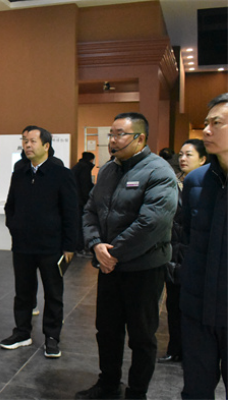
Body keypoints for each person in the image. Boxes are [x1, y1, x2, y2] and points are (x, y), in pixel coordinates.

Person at [76, 112, 178, 400]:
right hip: (110, 267)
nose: (112, 140)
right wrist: (96, 244)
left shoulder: (159, 172)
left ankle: (136, 392)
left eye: (119, 134)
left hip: (144, 269)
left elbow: (151, 224)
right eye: (111, 134)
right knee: (107, 331)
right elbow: (90, 210)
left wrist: (112, 253)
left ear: (140, 138)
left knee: (142, 336)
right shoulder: (108, 170)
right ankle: (108, 384)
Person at [0, 125, 78, 358]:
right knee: (23, 292)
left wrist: (70, 245)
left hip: (52, 246)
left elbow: (71, 212)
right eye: (25, 141)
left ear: (46, 145)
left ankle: (52, 337)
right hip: (23, 246)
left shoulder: (61, 174)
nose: (27, 145)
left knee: (53, 293)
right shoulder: (19, 172)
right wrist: (15, 227)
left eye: (33, 141)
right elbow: (10, 205)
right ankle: (22, 332)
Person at [180, 93, 228, 399]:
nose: (206, 130)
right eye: (206, 123)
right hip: (197, 309)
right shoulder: (197, 181)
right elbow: (187, 236)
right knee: (196, 391)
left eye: (217, 123)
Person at [158, 139, 207, 364]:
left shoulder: (209, 187)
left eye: (189, 155)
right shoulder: (173, 183)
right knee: (173, 305)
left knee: (193, 308)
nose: (183, 159)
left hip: (194, 256)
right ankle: (174, 348)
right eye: (181, 155)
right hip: (172, 254)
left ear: (203, 159)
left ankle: (193, 351)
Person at [71, 152, 95, 256]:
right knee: (81, 225)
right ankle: (80, 248)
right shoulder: (85, 168)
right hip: (80, 201)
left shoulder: (77, 166)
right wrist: (88, 201)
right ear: (91, 160)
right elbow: (85, 186)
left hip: (74, 200)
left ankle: (77, 247)